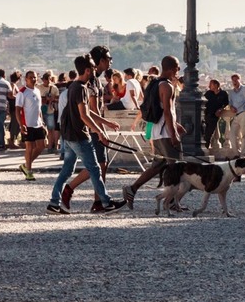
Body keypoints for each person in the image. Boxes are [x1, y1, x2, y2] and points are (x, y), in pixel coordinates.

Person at [47, 54, 127, 214]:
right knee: (95, 169)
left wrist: (106, 123)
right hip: (79, 136)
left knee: (67, 170)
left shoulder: (73, 87)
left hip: (69, 136)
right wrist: (99, 132)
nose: (94, 70)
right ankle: (106, 203)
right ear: (87, 70)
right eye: (92, 68)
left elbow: (87, 111)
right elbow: (84, 116)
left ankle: (54, 203)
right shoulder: (82, 88)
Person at [122, 55, 186, 211]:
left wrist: (175, 125)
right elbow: (168, 111)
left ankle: (132, 189)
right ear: (171, 68)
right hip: (165, 134)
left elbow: (161, 110)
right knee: (177, 167)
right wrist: (173, 134)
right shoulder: (168, 86)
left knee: (157, 166)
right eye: (177, 68)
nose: (178, 71)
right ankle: (171, 202)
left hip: (157, 132)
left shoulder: (155, 83)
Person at [16, 70, 46, 181]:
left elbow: (39, 108)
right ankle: (29, 171)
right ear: (26, 79)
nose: (33, 79)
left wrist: (42, 121)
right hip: (27, 123)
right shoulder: (22, 92)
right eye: (31, 77)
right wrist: (21, 124)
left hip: (37, 123)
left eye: (34, 77)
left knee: (41, 146)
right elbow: (18, 109)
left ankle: (25, 165)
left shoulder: (37, 91)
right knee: (29, 147)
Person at [202, 79, 229, 148]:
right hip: (206, 115)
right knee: (203, 133)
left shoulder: (223, 94)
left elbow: (226, 103)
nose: (209, 86)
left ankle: (205, 148)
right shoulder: (208, 93)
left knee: (209, 134)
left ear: (216, 85)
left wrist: (221, 109)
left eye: (211, 84)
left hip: (214, 117)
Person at [39, 71, 60, 153]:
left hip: (50, 110)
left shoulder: (54, 89)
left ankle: (50, 146)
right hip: (41, 110)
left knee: (51, 129)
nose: (46, 81)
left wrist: (52, 99)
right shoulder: (38, 87)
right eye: (45, 80)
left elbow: (58, 99)